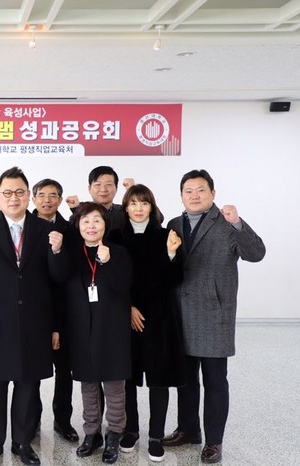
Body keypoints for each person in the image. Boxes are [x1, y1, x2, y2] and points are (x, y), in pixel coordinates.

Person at [162, 170, 265, 464]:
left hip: (214, 314)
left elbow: (256, 253)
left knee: (215, 382)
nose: (194, 196)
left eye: (201, 190)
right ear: (181, 195)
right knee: (185, 380)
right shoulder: (174, 224)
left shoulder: (226, 223)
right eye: (188, 191)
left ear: (213, 193)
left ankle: (214, 441)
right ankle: (188, 430)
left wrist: (238, 223)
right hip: (181, 314)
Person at [0, 166, 65, 466]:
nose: (14, 198)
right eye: (8, 193)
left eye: (20, 192)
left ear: (29, 196)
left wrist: (57, 252)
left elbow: (57, 281)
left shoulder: (45, 230)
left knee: (28, 386)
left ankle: (23, 443)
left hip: (36, 323)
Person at [107, 184, 186, 462]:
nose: (138, 208)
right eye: (133, 203)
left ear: (152, 207)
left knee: (158, 379)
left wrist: (172, 254)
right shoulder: (115, 237)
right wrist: (128, 308)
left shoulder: (166, 235)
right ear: (125, 208)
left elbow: (174, 279)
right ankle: (131, 431)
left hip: (160, 317)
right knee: (127, 378)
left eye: (144, 203)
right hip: (125, 316)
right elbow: (111, 279)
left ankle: (155, 436)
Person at [60, 202, 132, 465]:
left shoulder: (118, 252)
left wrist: (108, 261)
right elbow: (59, 281)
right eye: (85, 221)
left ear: (105, 225)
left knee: (114, 388)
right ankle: (91, 433)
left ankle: (114, 434)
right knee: (88, 386)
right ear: (78, 226)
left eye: (96, 221)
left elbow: (123, 286)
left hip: (112, 330)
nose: (91, 226)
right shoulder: (71, 254)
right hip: (81, 330)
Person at [31, 178, 79, 443]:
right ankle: (32, 421)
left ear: (60, 200)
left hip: (64, 309)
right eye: (42, 195)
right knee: (32, 371)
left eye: (53, 196)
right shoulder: (24, 226)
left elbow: (70, 273)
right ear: (33, 198)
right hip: (33, 310)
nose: (47, 200)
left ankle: (63, 420)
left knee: (64, 370)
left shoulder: (70, 229)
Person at [65, 166, 135, 234]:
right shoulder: (80, 210)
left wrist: (133, 192)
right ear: (89, 188)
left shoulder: (124, 211)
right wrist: (76, 210)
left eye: (108, 184)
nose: (103, 189)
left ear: (116, 188)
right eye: (98, 184)